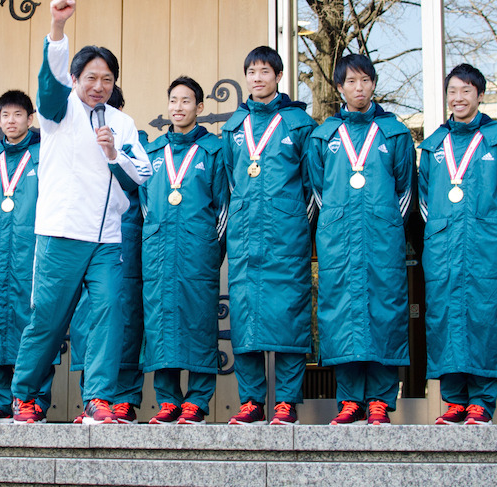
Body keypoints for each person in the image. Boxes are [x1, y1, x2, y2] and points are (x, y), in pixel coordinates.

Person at [11, 0, 151, 425]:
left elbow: (141, 173)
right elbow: (48, 84)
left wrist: (114, 154)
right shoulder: (58, 111)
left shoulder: (122, 123)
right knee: (48, 321)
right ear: (76, 78)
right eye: (91, 77)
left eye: (107, 79)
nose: (98, 86)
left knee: (109, 314)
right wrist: (57, 29)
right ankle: (25, 396)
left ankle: (98, 400)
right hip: (61, 232)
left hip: (107, 239)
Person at [306, 55, 415, 426]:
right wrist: (340, 224)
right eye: (350, 82)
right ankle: (350, 400)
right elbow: (318, 191)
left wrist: (381, 223)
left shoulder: (395, 132)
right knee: (341, 315)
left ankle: (381, 400)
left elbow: (405, 190)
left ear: (373, 84)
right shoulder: (324, 135)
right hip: (339, 242)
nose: (358, 88)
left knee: (385, 313)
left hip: (381, 241)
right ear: (339, 87)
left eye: (365, 80)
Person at [419, 63, 497, 426]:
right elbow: (424, 200)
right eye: (452, 91)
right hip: (444, 247)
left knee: (485, 316)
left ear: (479, 95)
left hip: (485, 248)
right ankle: (453, 401)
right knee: (445, 316)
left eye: (466, 90)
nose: (458, 97)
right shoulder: (434, 145)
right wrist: (442, 232)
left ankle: (481, 399)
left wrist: (492, 231)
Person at [222, 46, 316, 426]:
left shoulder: (298, 123)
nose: (257, 78)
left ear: (278, 76)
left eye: (265, 71)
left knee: (289, 318)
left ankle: (286, 402)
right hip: (245, 240)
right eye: (251, 71)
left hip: (286, 237)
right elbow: (231, 182)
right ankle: (252, 401)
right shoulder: (234, 126)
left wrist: (296, 225)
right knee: (245, 321)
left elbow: (314, 186)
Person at [141, 77, 228, 425]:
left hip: (198, 252)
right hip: (159, 252)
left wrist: (209, 248)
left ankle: (197, 400)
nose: (178, 107)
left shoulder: (214, 150)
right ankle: (167, 400)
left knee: (199, 321)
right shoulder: (152, 152)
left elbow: (224, 207)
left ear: (200, 108)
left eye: (186, 101)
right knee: (160, 321)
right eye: (173, 100)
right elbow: (145, 206)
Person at [69, 85, 145, 424]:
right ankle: (93, 400)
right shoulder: (74, 143)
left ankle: (125, 398)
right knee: (89, 322)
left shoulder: (133, 141)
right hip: (85, 239)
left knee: (125, 321)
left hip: (126, 241)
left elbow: (145, 196)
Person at [0, 90, 49, 423]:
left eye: (18, 114)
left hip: (31, 251)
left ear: (30, 119)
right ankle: (0, 400)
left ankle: (32, 400)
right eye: (5, 115)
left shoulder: (43, 154)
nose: (11, 121)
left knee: (31, 324)